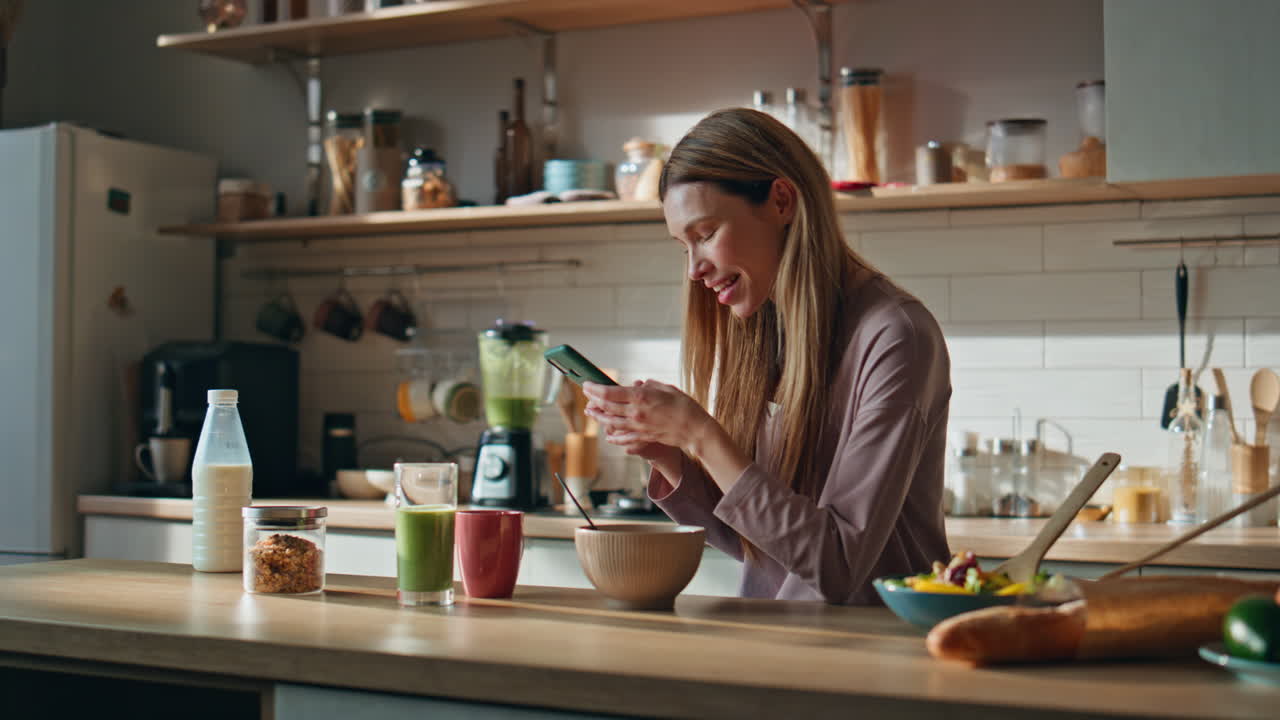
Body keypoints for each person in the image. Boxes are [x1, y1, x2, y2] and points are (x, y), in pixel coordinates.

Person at [583, 108, 951, 605]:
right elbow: (761, 541)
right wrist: (669, 456)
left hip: (877, 650)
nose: (694, 269)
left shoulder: (897, 337)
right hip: (779, 641)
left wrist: (700, 433)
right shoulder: (764, 328)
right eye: (682, 246)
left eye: (706, 233)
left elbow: (837, 563)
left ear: (781, 201)